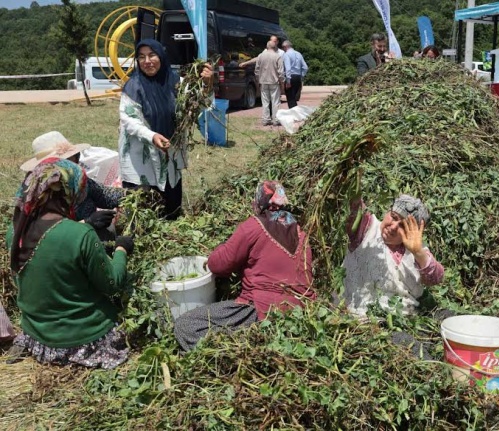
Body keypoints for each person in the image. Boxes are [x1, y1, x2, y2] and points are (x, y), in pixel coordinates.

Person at [6, 158, 134, 368]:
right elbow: (112, 284)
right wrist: (121, 249)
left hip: (39, 336)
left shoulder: (16, 231)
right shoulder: (80, 234)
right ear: (67, 192)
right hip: (83, 339)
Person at [174, 181, 316, 351]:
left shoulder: (254, 226)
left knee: (186, 324)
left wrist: (212, 257)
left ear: (259, 202)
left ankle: (230, 354)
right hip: (300, 314)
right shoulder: (301, 234)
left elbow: (219, 264)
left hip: (260, 311)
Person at [119, 39, 213, 220]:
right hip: (141, 159)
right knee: (144, 214)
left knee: (171, 211)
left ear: (161, 56)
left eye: (152, 55)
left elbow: (198, 105)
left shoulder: (176, 82)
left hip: (170, 153)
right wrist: (151, 135)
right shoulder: (133, 86)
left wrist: (208, 84)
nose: (147, 61)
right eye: (141, 57)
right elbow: (129, 120)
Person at [342, 194, 444, 317]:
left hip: (404, 320)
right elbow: (352, 203)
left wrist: (418, 252)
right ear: (387, 212)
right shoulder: (366, 229)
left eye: (403, 226)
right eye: (393, 217)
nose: (394, 226)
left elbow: (436, 278)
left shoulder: (416, 251)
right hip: (360, 319)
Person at [21, 131, 125, 240]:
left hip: (92, 239)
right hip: (66, 247)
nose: (73, 165)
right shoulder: (42, 195)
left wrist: (129, 193)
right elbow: (48, 234)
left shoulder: (79, 180)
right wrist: (87, 223)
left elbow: (103, 195)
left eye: (73, 158)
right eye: (66, 162)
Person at [255, 41, 285, 126]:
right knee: (275, 102)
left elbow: (256, 70)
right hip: (274, 82)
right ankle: (275, 120)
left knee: (265, 101)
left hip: (263, 81)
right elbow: (281, 72)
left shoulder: (260, 56)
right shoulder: (277, 56)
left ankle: (265, 119)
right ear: (275, 47)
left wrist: (258, 80)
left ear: (266, 46)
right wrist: (282, 81)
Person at [281, 40, 309, 108]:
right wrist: (301, 76)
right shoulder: (298, 54)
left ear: (285, 47)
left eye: (283, 47)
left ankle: (293, 114)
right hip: (298, 77)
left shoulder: (286, 54)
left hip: (290, 77)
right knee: (294, 98)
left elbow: (288, 69)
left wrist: (288, 81)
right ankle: (295, 112)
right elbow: (305, 67)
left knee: (290, 98)